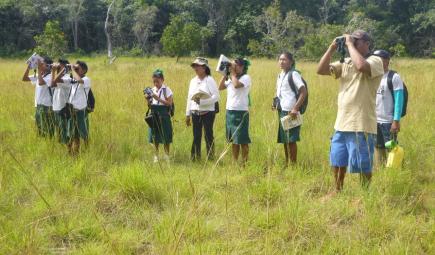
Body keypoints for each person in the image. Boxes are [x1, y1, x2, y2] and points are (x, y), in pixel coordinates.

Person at [316, 30, 384, 193]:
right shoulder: (345, 62)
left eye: (356, 41)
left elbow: (361, 66)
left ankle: (365, 194)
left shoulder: (376, 60)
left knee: (362, 163)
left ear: (367, 43)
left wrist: (348, 43)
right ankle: (337, 190)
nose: (352, 43)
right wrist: (332, 48)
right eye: (352, 41)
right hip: (341, 123)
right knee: (337, 160)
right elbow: (321, 69)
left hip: (361, 123)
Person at [273, 52, 307, 166]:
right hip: (282, 110)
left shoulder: (294, 74)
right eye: (280, 59)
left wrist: (295, 108)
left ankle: (293, 164)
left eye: (284, 60)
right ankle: (287, 162)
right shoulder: (280, 75)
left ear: (291, 62)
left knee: (291, 139)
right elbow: (280, 92)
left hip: (291, 111)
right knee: (284, 139)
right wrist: (275, 102)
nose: (281, 62)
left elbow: (303, 92)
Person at [372, 49, 405, 165]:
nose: (375, 63)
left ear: (387, 61)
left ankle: (395, 172)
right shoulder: (373, 76)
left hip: (388, 122)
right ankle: (381, 171)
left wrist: (396, 121)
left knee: (392, 148)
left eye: (378, 60)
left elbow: (399, 100)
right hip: (375, 121)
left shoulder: (394, 77)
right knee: (378, 147)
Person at [219, 57, 252, 166]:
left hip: (241, 112)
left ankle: (245, 163)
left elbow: (237, 85)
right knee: (233, 139)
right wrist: (225, 74)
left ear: (241, 66)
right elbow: (220, 87)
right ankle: (234, 162)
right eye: (232, 65)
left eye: (235, 65)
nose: (232, 67)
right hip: (230, 111)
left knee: (242, 139)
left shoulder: (246, 77)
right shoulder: (231, 77)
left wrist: (232, 73)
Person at [185, 57, 220, 161]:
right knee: (196, 136)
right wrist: (188, 114)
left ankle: (210, 158)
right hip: (195, 112)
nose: (195, 68)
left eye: (198, 66)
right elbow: (189, 98)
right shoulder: (192, 81)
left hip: (208, 112)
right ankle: (195, 158)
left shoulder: (209, 80)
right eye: (194, 66)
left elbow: (217, 96)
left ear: (204, 68)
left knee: (208, 135)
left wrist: (203, 102)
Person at [21, 56, 55, 138]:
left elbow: (40, 82)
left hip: (47, 106)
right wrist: (29, 66)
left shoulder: (50, 76)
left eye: (42, 63)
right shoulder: (41, 75)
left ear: (48, 66)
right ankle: (43, 141)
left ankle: (50, 142)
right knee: (40, 127)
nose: (39, 65)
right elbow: (24, 78)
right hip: (39, 105)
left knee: (48, 128)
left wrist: (39, 69)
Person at [147, 69, 174, 163]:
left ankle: (167, 155)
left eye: (157, 81)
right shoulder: (152, 90)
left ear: (162, 80)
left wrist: (158, 98)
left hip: (164, 115)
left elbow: (169, 104)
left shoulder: (167, 90)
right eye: (154, 81)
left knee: (166, 136)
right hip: (154, 114)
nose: (155, 83)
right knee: (155, 136)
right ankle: (156, 156)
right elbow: (150, 105)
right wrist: (148, 99)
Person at [66, 61, 91, 155]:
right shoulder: (73, 80)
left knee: (84, 133)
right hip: (71, 110)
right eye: (75, 69)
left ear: (84, 70)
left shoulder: (87, 79)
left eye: (78, 68)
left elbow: (80, 80)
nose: (75, 70)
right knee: (72, 133)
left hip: (80, 110)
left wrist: (73, 68)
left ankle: (87, 150)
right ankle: (73, 153)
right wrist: (70, 69)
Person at [50, 59, 72, 146]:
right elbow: (52, 84)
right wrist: (53, 71)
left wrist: (54, 71)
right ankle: (62, 148)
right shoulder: (58, 76)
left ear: (65, 67)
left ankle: (69, 149)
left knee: (65, 131)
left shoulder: (68, 77)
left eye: (60, 65)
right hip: (56, 107)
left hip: (63, 108)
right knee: (59, 131)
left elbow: (54, 81)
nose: (57, 66)